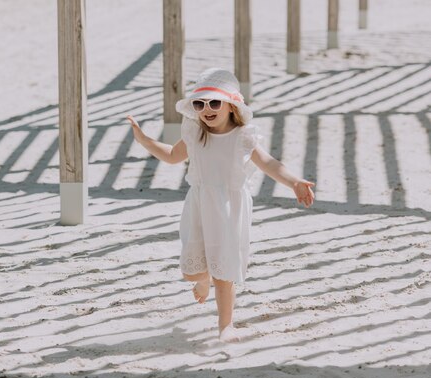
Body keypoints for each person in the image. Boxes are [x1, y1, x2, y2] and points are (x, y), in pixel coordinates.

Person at [126, 68, 315, 343]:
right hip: (200, 206)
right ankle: (204, 280)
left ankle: (225, 325)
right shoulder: (195, 134)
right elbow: (170, 156)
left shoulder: (243, 137)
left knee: (224, 271)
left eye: (214, 102)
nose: (207, 109)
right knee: (192, 271)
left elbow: (270, 164)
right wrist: (143, 139)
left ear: (231, 106)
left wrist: (295, 182)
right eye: (199, 104)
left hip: (230, 209)